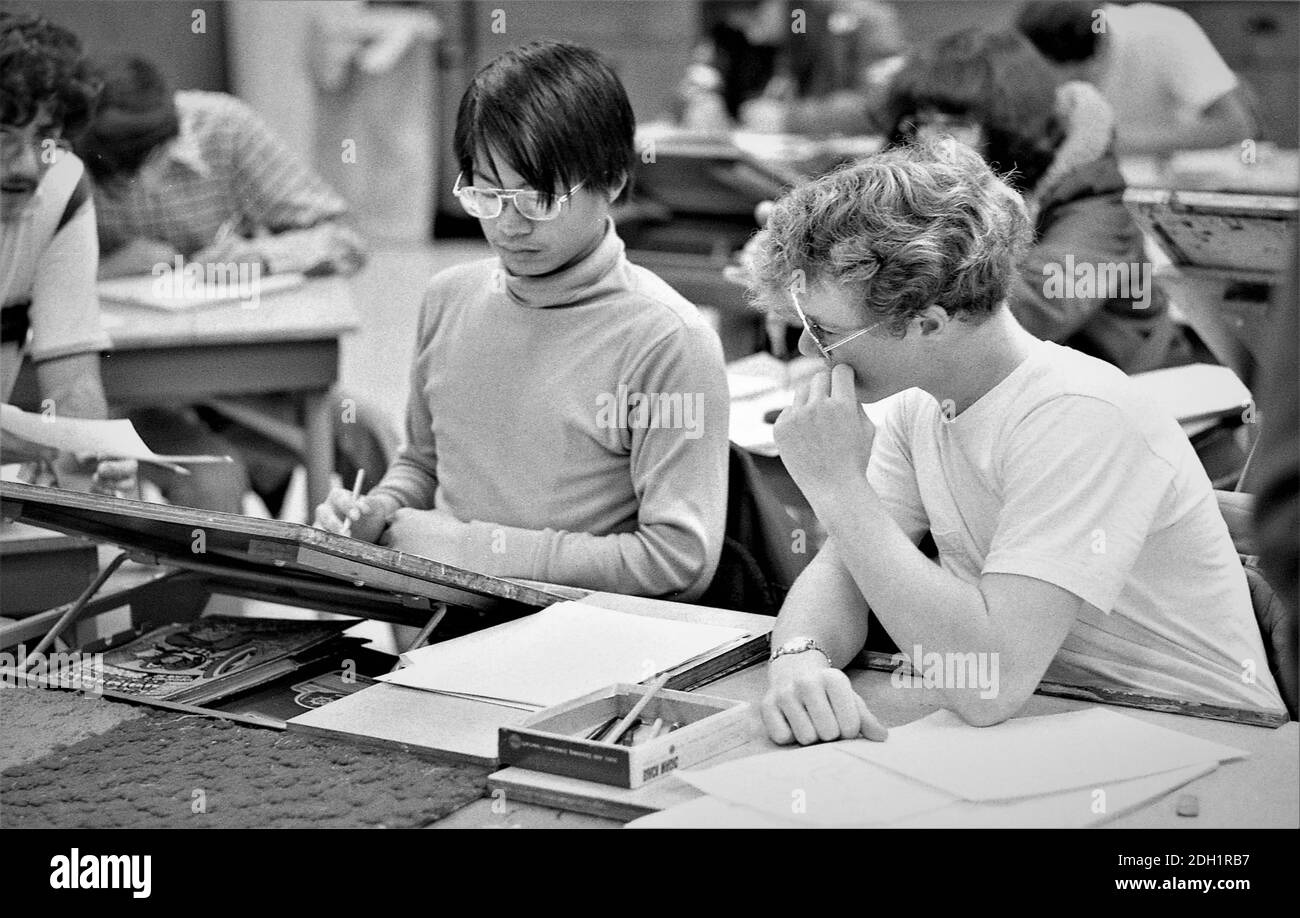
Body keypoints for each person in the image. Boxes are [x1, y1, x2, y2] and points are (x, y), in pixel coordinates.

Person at [745, 140, 1285, 744]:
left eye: (825, 333)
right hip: (1054, 720)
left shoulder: (1081, 417)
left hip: (1201, 735)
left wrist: (839, 489)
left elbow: (987, 683)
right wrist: (798, 658)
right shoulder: (917, 403)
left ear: (928, 324)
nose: (803, 351)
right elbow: (841, 574)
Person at [314, 41, 729, 600]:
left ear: (611, 181)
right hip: (445, 628)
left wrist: (472, 552)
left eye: (538, 198)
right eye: (487, 193)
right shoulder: (449, 297)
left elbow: (678, 562)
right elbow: (424, 464)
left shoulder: (666, 340)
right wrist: (378, 510)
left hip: (575, 645)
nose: (509, 225)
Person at [73, 55, 368, 515]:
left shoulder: (223, 127)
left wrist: (262, 258)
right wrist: (104, 266)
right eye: (112, 181)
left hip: (240, 370)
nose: (130, 191)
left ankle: (374, 573)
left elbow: (344, 237)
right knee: (213, 482)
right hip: (128, 386)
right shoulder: (64, 146)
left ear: (169, 140)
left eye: (141, 169)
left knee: (366, 434)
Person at [883, 28, 1197, 373]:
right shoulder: (937, 179)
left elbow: (1036, 308)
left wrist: (878, 320)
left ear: (1010, 123)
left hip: (1130, 385)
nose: (932, 141)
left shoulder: (1095, 198)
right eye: (921, 121)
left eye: (956, 124)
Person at [0, 11, 134, 496]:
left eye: (44, 138)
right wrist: (44, 444)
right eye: (3, 138)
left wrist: (90, 453)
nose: (27, 166)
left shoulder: (62, 184)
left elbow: (73, 381)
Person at [1015, 1, 1256, 154]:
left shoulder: (1166, 29)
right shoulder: (1037, 48)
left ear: (1096, 58)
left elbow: (1236, 126)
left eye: (1073, 77)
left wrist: (1107, 143)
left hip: (1173, 185)